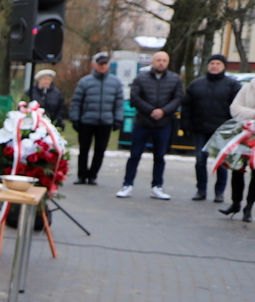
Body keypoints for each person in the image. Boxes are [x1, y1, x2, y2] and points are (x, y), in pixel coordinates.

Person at [118, 50, 182, 200]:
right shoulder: (141, 78)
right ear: (153, 62)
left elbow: (178, 98)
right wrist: (151, 111)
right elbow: (135, 97)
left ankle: (157, 186)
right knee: (135, 155)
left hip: (164, 123)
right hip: (143, 122)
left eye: (164, 60)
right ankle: (127, 185)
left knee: (160, 156)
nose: (161, 63)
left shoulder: (175, 79)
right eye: (158, 60)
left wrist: (163, 111)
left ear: (168, 62)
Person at [182, 53, 241, 202]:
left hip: (223, 131)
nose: (215, 66)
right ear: (208, 66)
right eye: (212, 63)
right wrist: (185, 125)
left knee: (221, 162)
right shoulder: (196, 84)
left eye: (218, 64)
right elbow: (187, 106)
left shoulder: (233, 85)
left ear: (224, 67)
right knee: (200, 160)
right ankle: (201, 190)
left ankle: (219, 192)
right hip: (200, 128)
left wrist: (235, 129)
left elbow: (237, 108)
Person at [68, 52, 124, 184]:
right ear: (95, 65)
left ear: (108, 65)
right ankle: (82, 175)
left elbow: (119, 103)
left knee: (100, 151)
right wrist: (75, 119)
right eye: (100, 64)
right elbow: (76, 102)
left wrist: (117, 119)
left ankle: (93, 175)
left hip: (105, 122)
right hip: (87, 121)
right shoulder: (85, 81)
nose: (103, 66)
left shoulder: (115, 83)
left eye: (105, 64)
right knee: (84, 150)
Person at [219, 75, 255, 221]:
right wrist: (253, 114)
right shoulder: (248, 87)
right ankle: (236, 203)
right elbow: (235, 108)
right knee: (237, 168)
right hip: (244, 134)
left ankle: (249, 207)